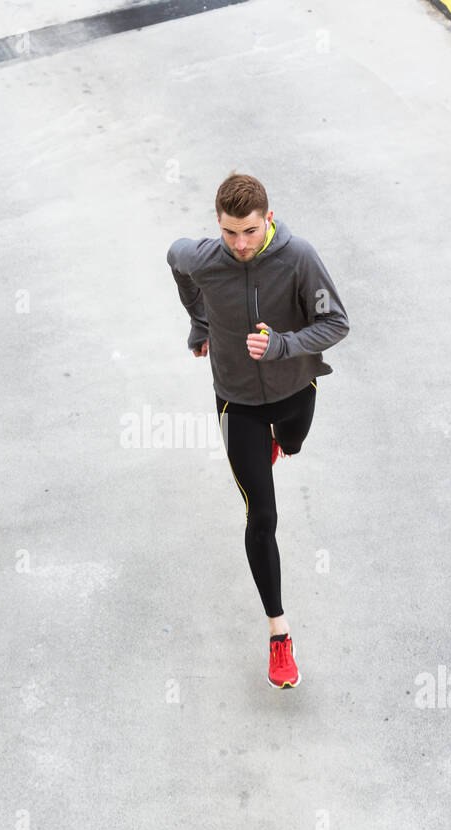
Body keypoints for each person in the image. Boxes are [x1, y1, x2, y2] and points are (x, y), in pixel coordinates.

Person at [166, 171, 350, 689]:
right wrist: (200, 323)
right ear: (217, 225)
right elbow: (174, 261)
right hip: (237, 400)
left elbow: (336, 323)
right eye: (229, 233)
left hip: (295, 387)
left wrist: (283, 345)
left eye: (248, 232)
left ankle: (280, 445)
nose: (240, 245)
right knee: (262, 514)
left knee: (291, 442)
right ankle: (279, 632)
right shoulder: (202, 257)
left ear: (267, 219)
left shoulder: (299, 257)